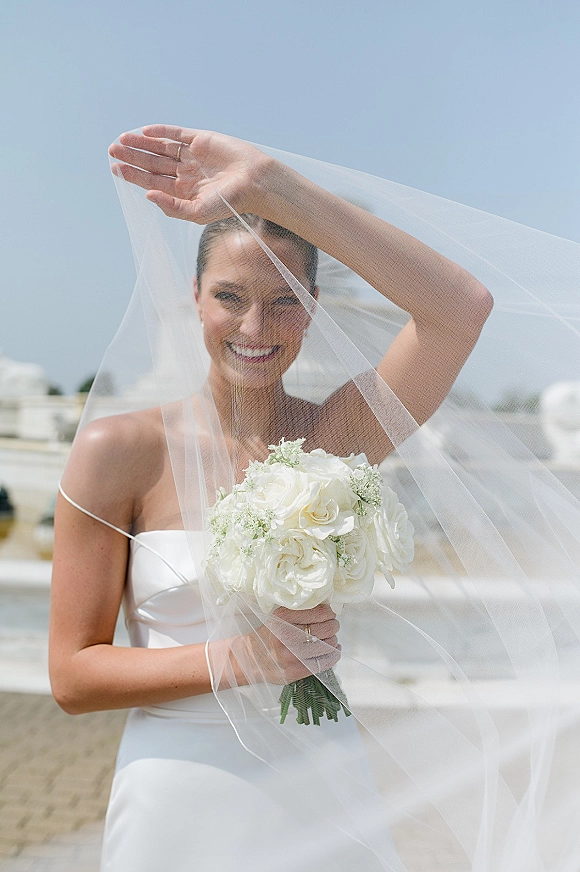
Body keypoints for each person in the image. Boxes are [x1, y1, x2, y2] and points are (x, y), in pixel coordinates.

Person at [50, 127, 580, 870]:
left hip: (320, 785)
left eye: (284, 299)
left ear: (314, 303)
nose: (255, 329)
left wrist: (275, 184)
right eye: (229, 298)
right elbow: (73, 676)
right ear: (193, 302)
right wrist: (246, 658)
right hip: (178, 792)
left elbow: (461, 309)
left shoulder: (338, 437)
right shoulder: (120, 450)